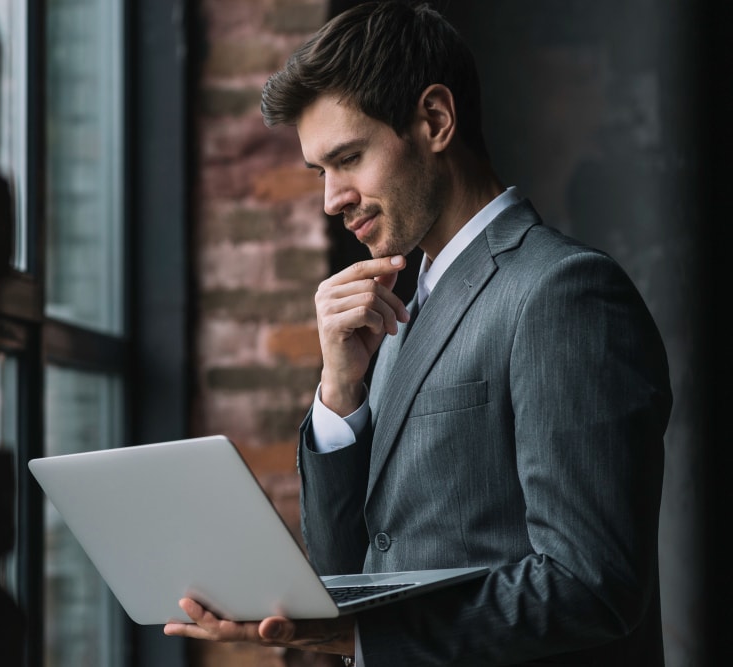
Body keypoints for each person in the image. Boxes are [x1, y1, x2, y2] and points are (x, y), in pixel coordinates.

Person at [164, 1, 673, 664]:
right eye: (321, 172)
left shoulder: (564, 293)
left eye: (348, 158)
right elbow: (356, 565)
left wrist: (353, 634)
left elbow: (590, 583)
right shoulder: (400, 319)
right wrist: (340, 394)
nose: (331, 199)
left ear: (435, 120)